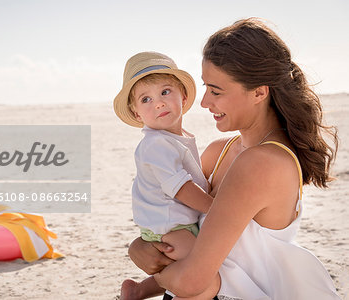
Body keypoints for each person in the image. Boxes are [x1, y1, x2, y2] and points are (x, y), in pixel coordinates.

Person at [128, 18, 341, 300]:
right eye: (205, 88)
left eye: (216, 91)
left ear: (259, 92)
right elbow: (175, 215)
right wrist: (138, 246)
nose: (204, 102)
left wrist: (156, 278)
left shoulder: (263, 163)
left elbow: (192, 279)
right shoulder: (219, 151)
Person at [113, 52, 220, 299]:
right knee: (203, 280)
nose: (158, 103)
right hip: (170, 227)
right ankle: (147, 288)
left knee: (186, 270)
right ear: (137, 113)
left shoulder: (175, 138)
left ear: (182, 95)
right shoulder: (155, 144)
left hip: (179, 223)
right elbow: (181, 187)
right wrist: (216, 208)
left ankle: (138, 290)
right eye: (146, 99)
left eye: (165, 92)